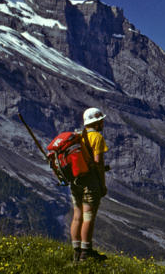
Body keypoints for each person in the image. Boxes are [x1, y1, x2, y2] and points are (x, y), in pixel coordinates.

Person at [70, 107, 109, 262]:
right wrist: (102, 184)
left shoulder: (77, 136)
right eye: (101, 121)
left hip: (75, 181)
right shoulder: (97, 138)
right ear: (96, 122)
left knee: (77, 216)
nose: (103, 123)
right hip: (90, 182)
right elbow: (98, 163)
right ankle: (86, 252)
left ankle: (76, 251)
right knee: (88, 217)